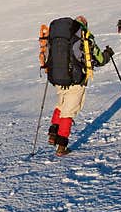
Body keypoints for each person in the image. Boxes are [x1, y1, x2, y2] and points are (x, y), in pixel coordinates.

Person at [47, 15, 113, 156]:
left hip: (58, 79)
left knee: (61, 105)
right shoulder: (84, 36)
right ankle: (62, 146)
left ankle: (53, 133)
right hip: (76, 81)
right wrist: (108, 54)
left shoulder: (60, 36)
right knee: (69, 111)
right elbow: (99, 59)